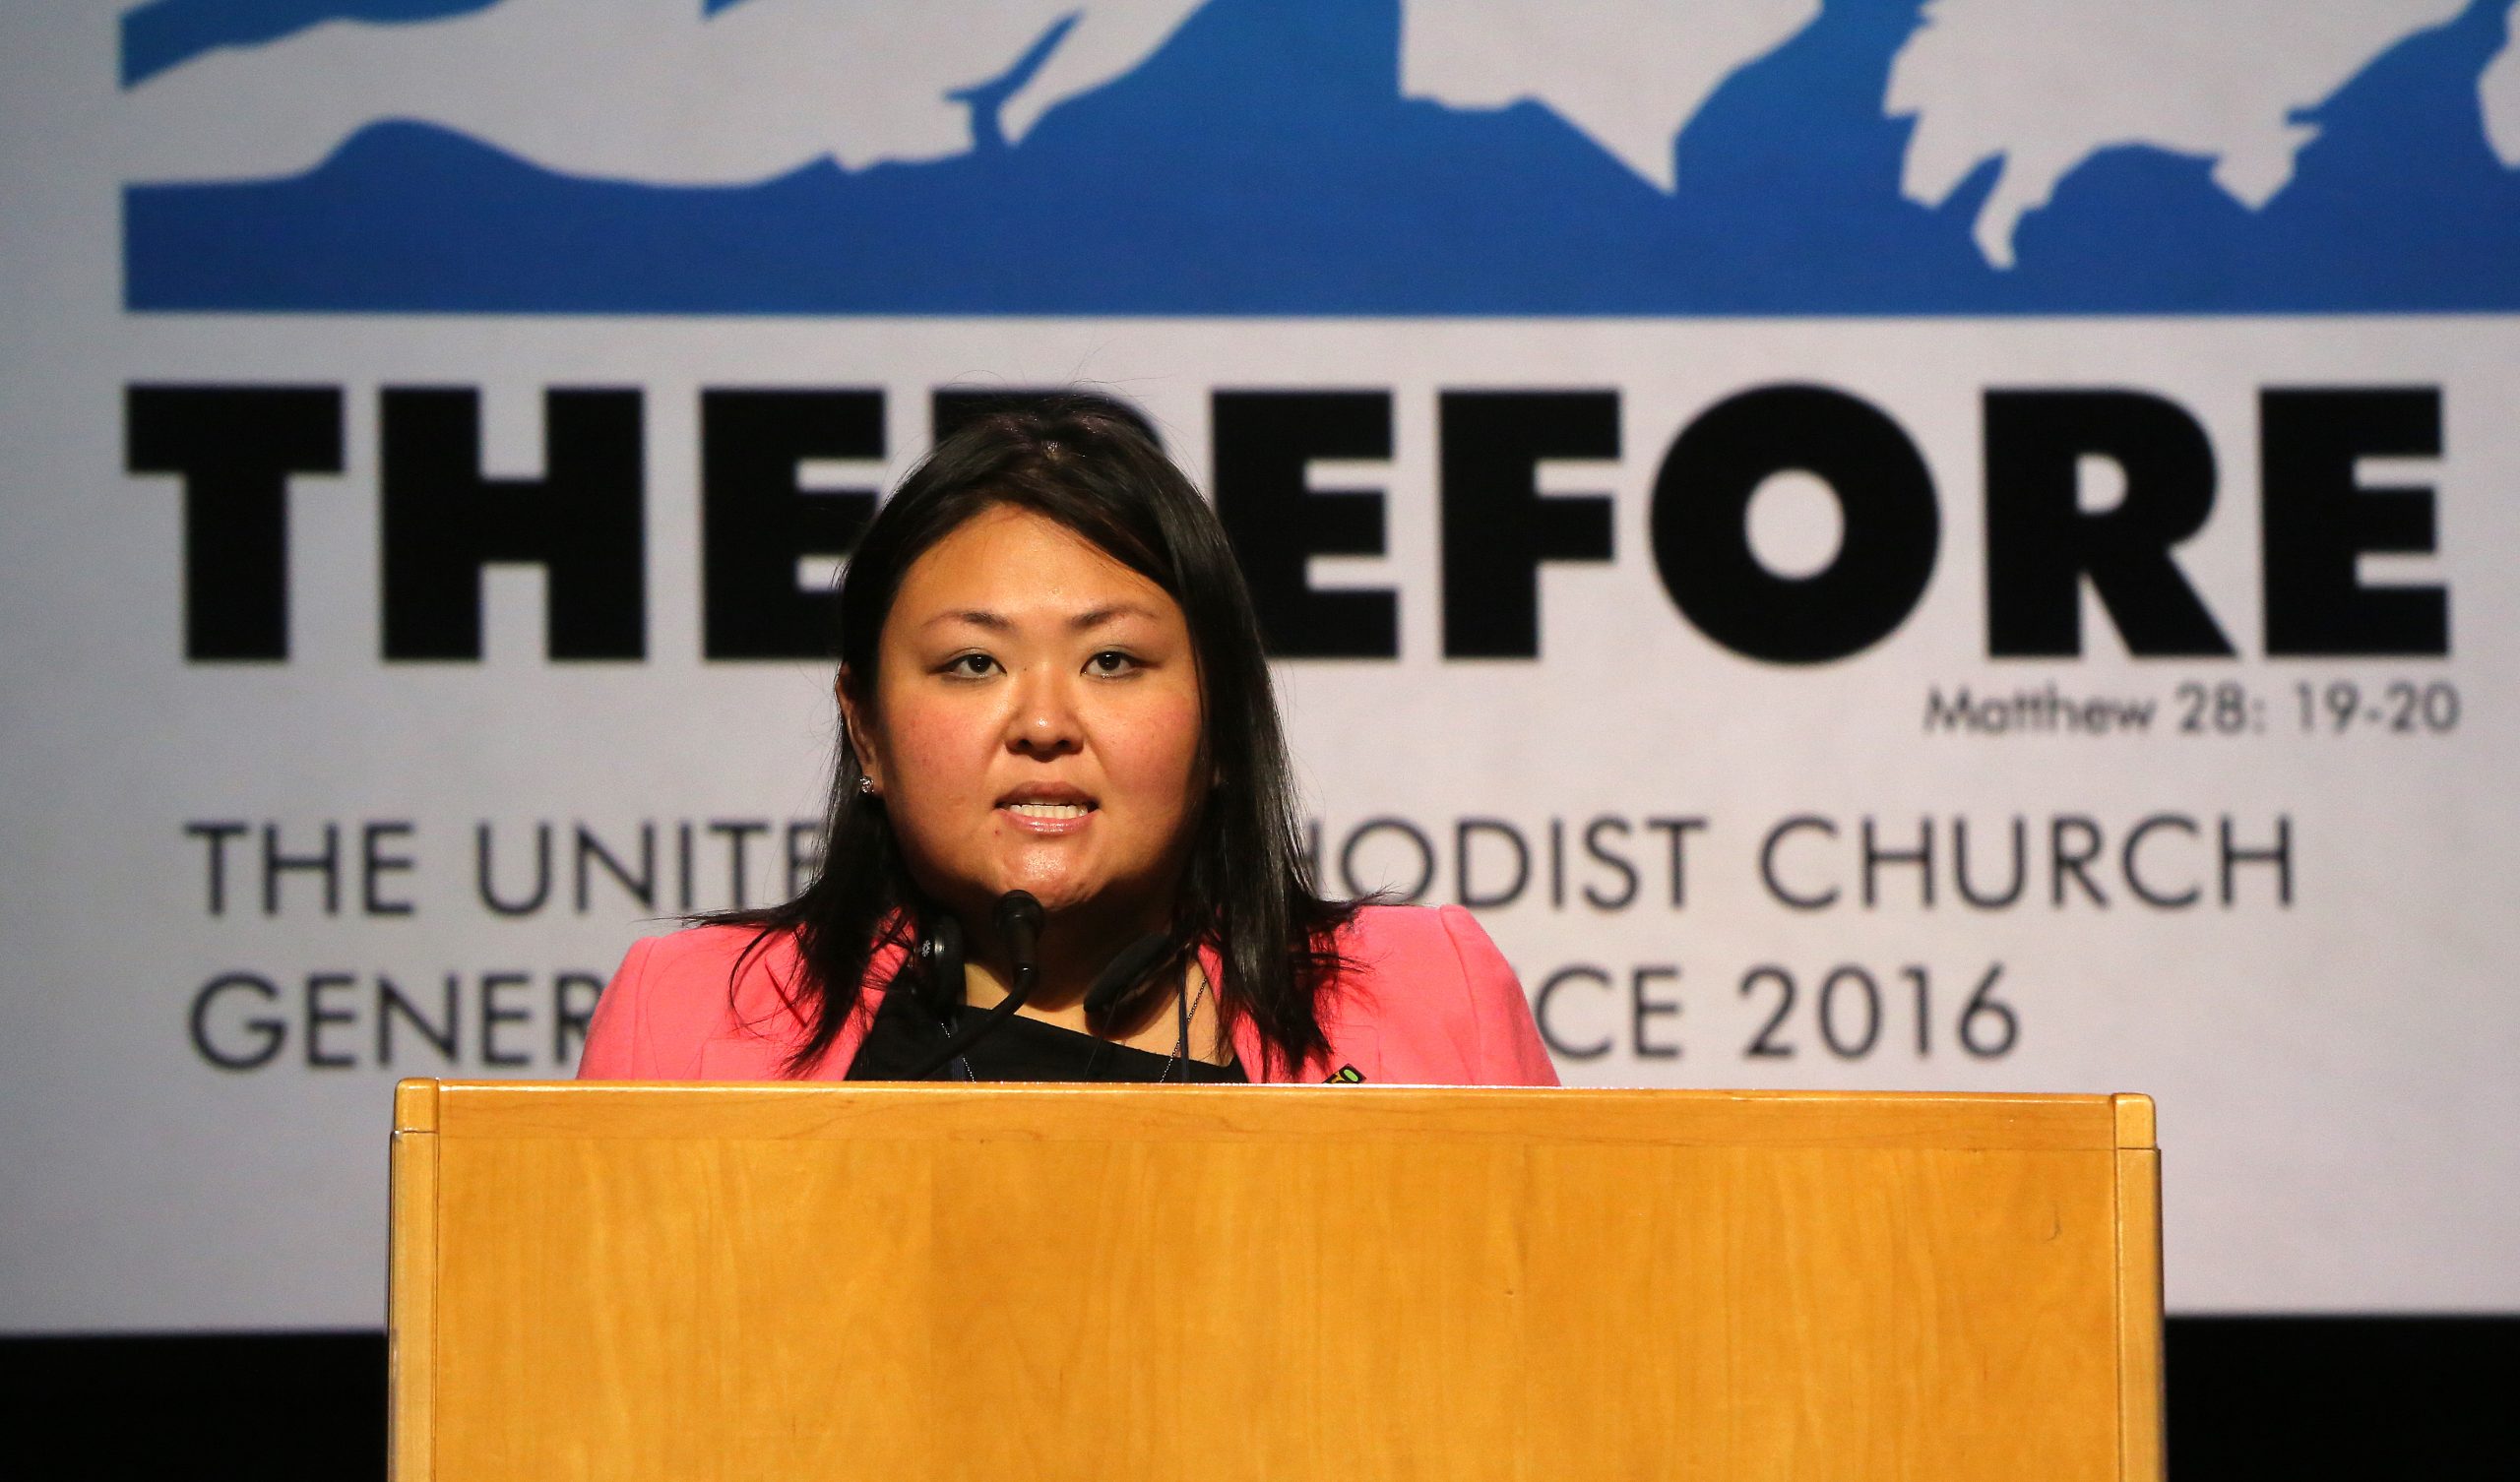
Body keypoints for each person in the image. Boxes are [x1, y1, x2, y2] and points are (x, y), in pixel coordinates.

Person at [578, 401, 1556, 1085]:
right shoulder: (688, 1016)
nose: (1043, 725)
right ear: (864, 731)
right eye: (971, 664)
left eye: (1113, 662)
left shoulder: (1429, 993)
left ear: (1222, 728)